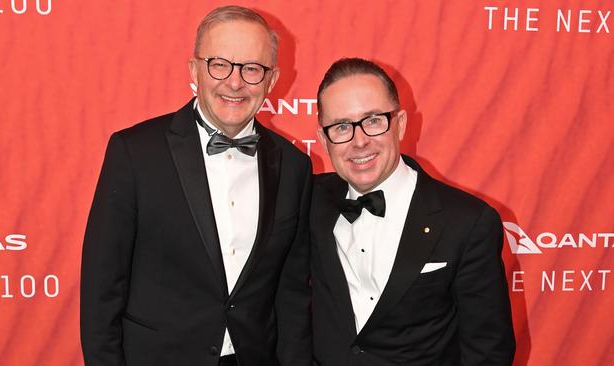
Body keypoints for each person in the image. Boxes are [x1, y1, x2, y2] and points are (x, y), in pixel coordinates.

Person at [80, 6, 312, 366]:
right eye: (219, 64)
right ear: (195, 70)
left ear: (271, 79)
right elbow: (101, 290)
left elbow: (292, 295)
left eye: (252, 69)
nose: (235, 83)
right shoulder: (135, 152)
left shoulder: (295, 166)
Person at [310, 58, 515, 365]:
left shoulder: (467, 222)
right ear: (323, 140)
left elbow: (488, 351)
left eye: (374, 120)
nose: (360, 141)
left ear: (400, 123)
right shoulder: (307, 200)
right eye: (341, 127)